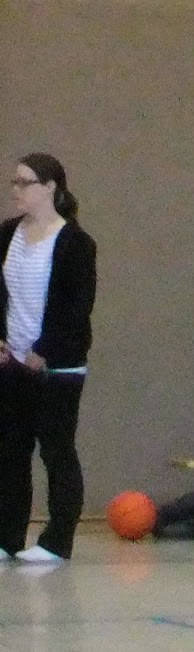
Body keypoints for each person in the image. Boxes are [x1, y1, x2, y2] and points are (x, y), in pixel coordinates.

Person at [0, 154, 96, 564]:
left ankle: (58, 540)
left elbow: (77, 308)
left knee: (56, 450)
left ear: (50, 187)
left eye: (24, 182)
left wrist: (44, 352)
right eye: (14, 182)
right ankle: (7, 537)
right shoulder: (7, 234)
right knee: (10, 450)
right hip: (12, 361)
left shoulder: (75, 243)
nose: (16, 190)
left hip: (58, 367)